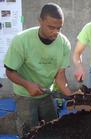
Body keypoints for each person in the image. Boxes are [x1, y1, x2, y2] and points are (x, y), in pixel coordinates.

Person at [4, 3, 72, 137]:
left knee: (52, 127)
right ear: (40, 21)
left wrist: (72, 96)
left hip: (46, 93)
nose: (55, 32)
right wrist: (28, 85)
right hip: (25, 94)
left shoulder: (64, 44)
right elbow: (9, 71)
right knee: (29, 131)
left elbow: (60, 76)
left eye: (59, 28)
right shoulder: (21, 41)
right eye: (51, 27)